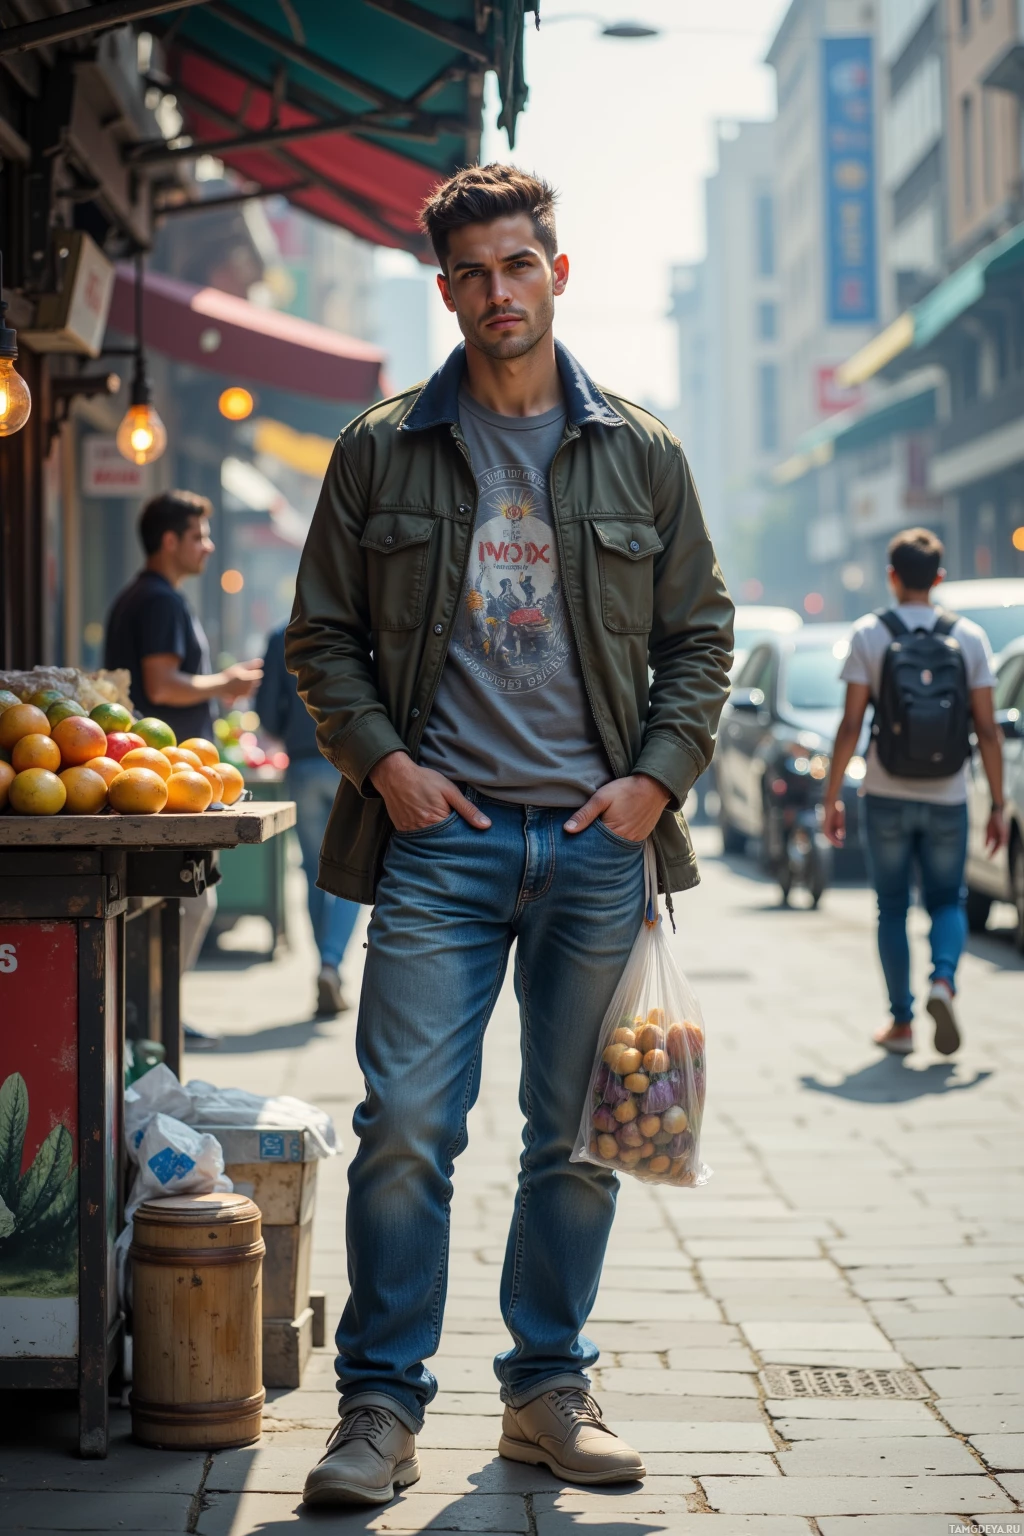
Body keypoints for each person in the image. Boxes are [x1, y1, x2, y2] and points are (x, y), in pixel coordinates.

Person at [286, 164, 733, 1508]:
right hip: (441, 843)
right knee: (409, 1125)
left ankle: (547, 1391)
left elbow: (702, 636)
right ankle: (379, 1408)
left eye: (519, 265)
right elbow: (322, 636)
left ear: (558, 270)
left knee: (581, 1136)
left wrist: (655, 784)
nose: (499, 293)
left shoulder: (641, 451)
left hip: (599, 844)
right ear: (447, 291)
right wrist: (388, 768)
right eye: (473, 273)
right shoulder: (381, 450)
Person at [823, 527, 1006, 1056]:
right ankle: (943, 982)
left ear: (892, 576)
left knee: (893, 907)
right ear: (940, 578)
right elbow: (988, 730)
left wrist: (832, 794)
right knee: (949, 900)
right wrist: (999, 802)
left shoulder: (869, 634)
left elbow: (850, 725)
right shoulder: (969, 637)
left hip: (885, 791)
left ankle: (902, 1025)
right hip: (948, 793)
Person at [105, 490, 263, 1032]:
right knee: (182, 901)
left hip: (152, 777)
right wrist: (227, 683)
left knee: (173, 902)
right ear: (169, 541)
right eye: (198, 536)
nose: (209, 546)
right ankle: (146, 1016)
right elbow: (162, 686)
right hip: (157, 781)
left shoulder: (146, 596)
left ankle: (150, 1011)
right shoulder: (159, 601)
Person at [257, 622, 361, 1015]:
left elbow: (266, 712)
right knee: (352, 870)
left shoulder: (280, 636)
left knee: (315, 871)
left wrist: (294, 731)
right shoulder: (360, 628)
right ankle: (332, 963)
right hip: (352, 763)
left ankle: (324, 965)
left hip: (302, 763)